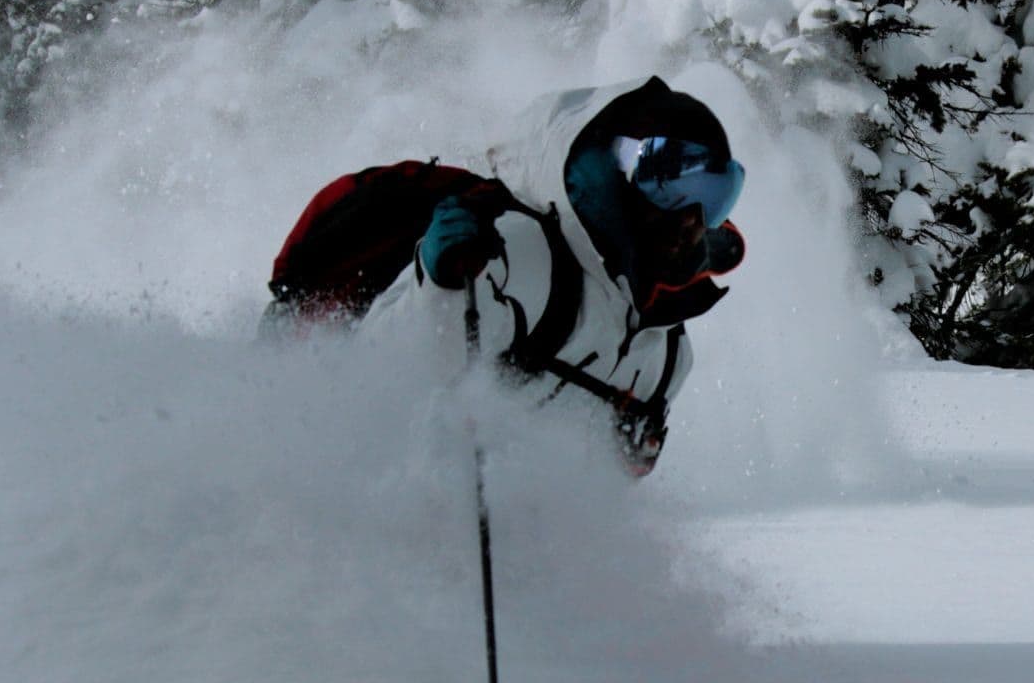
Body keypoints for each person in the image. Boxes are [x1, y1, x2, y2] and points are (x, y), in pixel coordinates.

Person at [262, 77, 746, 474]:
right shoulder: (517, 252)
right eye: (670, 180)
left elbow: (610, 486)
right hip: (388, 517)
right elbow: (379, 376)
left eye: (716, 191)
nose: (691, 216)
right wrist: (440, 289)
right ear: (617, 169)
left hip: (527, 566)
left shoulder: (667, 354)